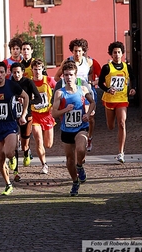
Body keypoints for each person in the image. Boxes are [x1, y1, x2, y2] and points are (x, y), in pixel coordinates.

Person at [52, 60, 95, 196]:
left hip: (81, 127)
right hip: (67, 130)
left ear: (76, 76)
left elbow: (93, 102)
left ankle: (80, 166)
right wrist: (65, 110)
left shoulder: (82, 89)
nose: (68, 78)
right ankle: (75, 181)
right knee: (69, 160)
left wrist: (87, 114)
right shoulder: (60, 93)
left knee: (81, 149)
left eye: (71, 75)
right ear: (63, 76)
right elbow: (53, 113)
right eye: (66, 75)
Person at [0, 61, 29, 195]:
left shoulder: (12, 85)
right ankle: (8, 184)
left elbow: (26, 96)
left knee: (8, 153)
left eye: (2, 72)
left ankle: (13, 157)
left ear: (6, 73)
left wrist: (23, 114)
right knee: (0, 158)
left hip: (10, 124)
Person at [98, 41, 136, 163]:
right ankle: (111, 124)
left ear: (122, 53)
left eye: (119, 52)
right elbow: (100, 83)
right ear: (111, 54)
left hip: (122, 99)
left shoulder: (127, 67)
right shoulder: (107, 67)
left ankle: (121, 152)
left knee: (121, 123)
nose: (117, 55)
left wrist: (133, 88)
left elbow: (134, 78)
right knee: (111, 126)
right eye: (114, 52)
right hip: (109, 100)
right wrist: (108, 89)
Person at [54, 38, 95, 152]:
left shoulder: (89, 61)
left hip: (84, 90)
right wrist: (65, 83)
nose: (77, 53)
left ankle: (88, 137)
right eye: (75, 51)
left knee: (90, 117)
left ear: (83, 51)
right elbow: (57, 76)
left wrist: (90, 83)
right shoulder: (67, 62)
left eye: (79, 51)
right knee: (76, 115)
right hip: (70, 91)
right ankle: (76, 136)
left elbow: (90, 76)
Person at [10, 62, 41, 182]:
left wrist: (27, 103)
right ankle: (15, 167)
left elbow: (38, 98)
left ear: (23, 72)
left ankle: (27, 151)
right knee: (14, 143)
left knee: (23, 145)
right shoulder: (9, 83)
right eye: (14, 72)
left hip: (26, 116)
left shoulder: (28, 82)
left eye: (18, 72)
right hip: (13, 117)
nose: (16, 75)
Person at [31, 59, 56, 174]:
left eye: (39, 69)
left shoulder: (49, 80)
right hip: (35, 115)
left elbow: (58, 91)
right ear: (32, 70)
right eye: (35, 69)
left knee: (48, 144)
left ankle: (44, 160)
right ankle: (44, 164)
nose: (37, 72)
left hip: (47, 115)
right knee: (38, 140)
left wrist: (54, 105)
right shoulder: (29, 82)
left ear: (42, 69)